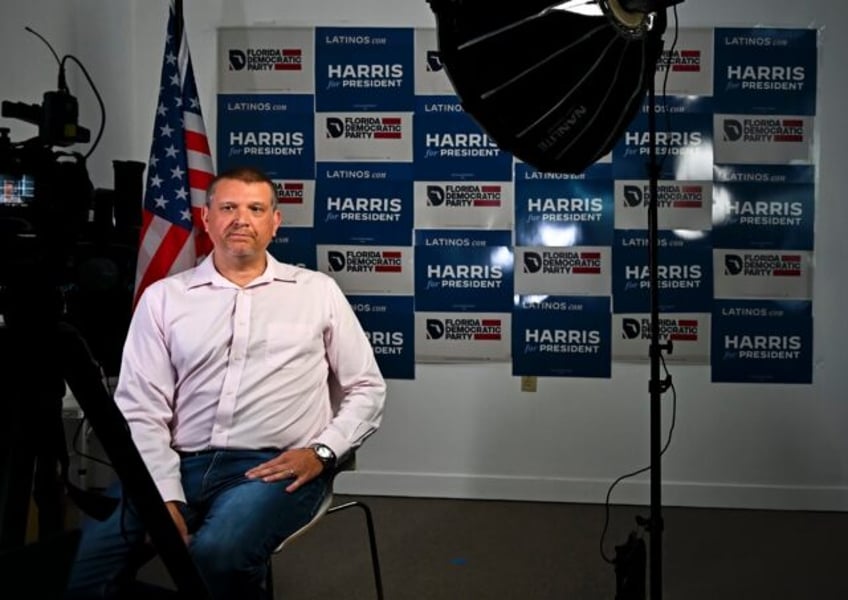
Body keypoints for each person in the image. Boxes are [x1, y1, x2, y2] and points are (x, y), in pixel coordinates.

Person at [65, 166, 387, 599]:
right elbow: (141, 406)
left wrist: (322, 452)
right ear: (207, 218)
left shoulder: (317, 292)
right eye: (229, 207)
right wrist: (163, 492)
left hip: (271, 468)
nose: (241, 219)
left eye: (256, 208)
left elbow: (367, 388)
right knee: (87, 570)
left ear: (275, 221)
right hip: (174, 461)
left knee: (218, 554)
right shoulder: (164, 298)